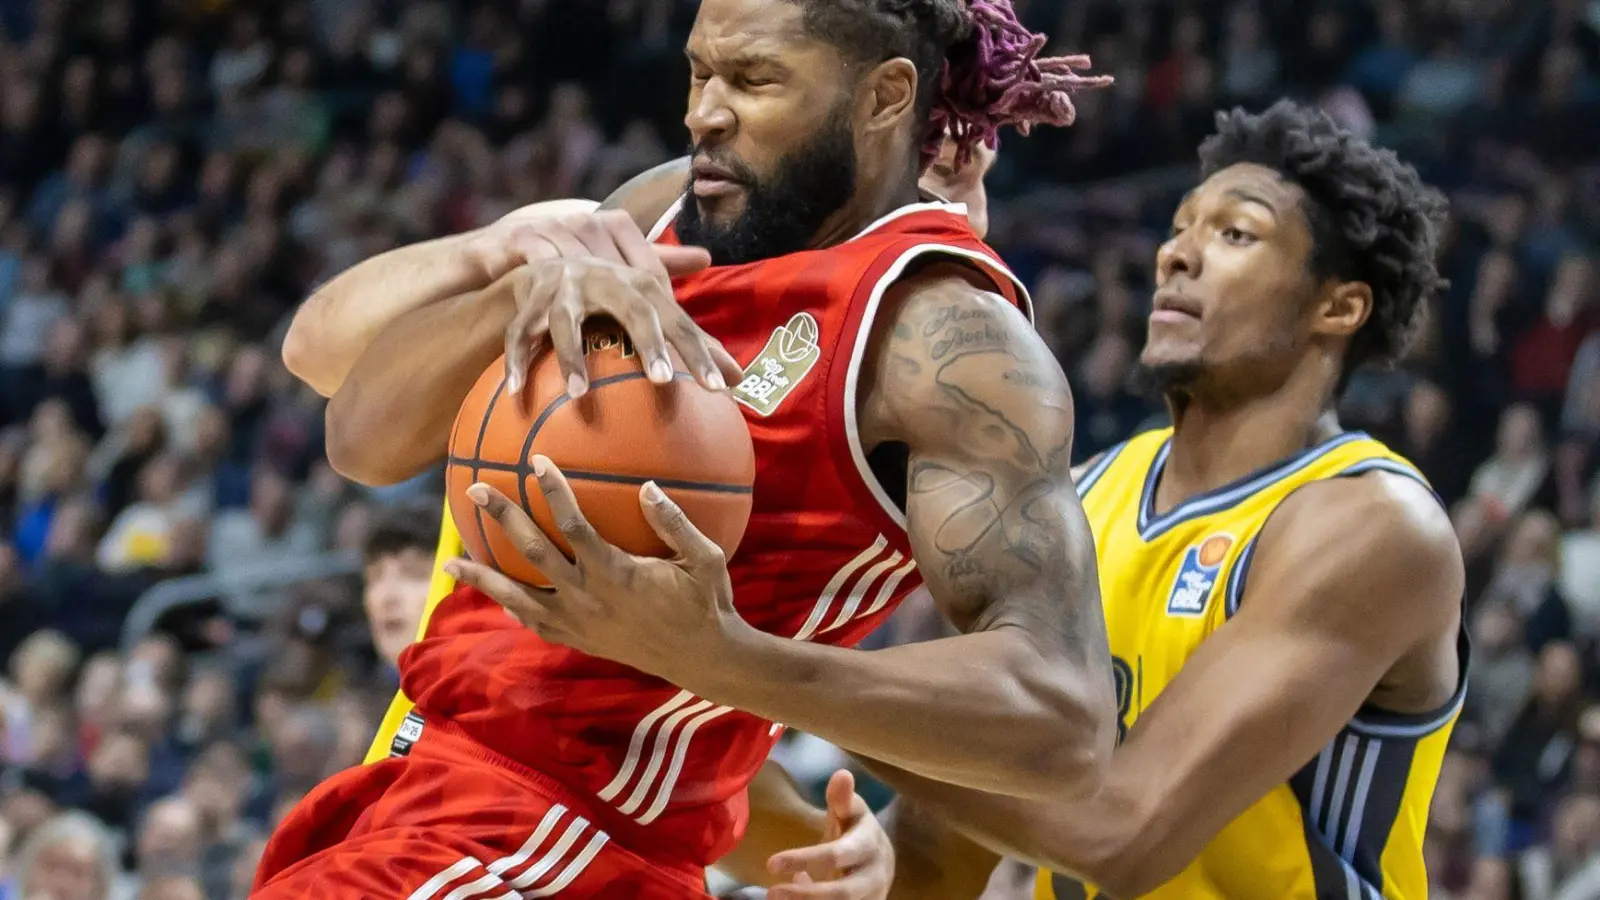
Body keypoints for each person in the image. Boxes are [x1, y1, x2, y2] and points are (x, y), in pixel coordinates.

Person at [259, 1, 1114, 899]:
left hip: (549, 844)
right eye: (700, 72)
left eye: (753, 79)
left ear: (883, 97)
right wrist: (514, 292)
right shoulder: (659, 210)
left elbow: (1065, 721)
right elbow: (359, 440)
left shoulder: (939, 338)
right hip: (409, 793)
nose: (705, 110)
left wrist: (722, 659)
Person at [762, 100, 1467, 900]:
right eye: (1180, 226)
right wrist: (863, 867)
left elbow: (1124, 834)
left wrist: (757, 671)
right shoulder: (1089, 493)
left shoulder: (1371, 526)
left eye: (1236, 234)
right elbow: (943, 855)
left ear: (1337, 306)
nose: (1176, 256)